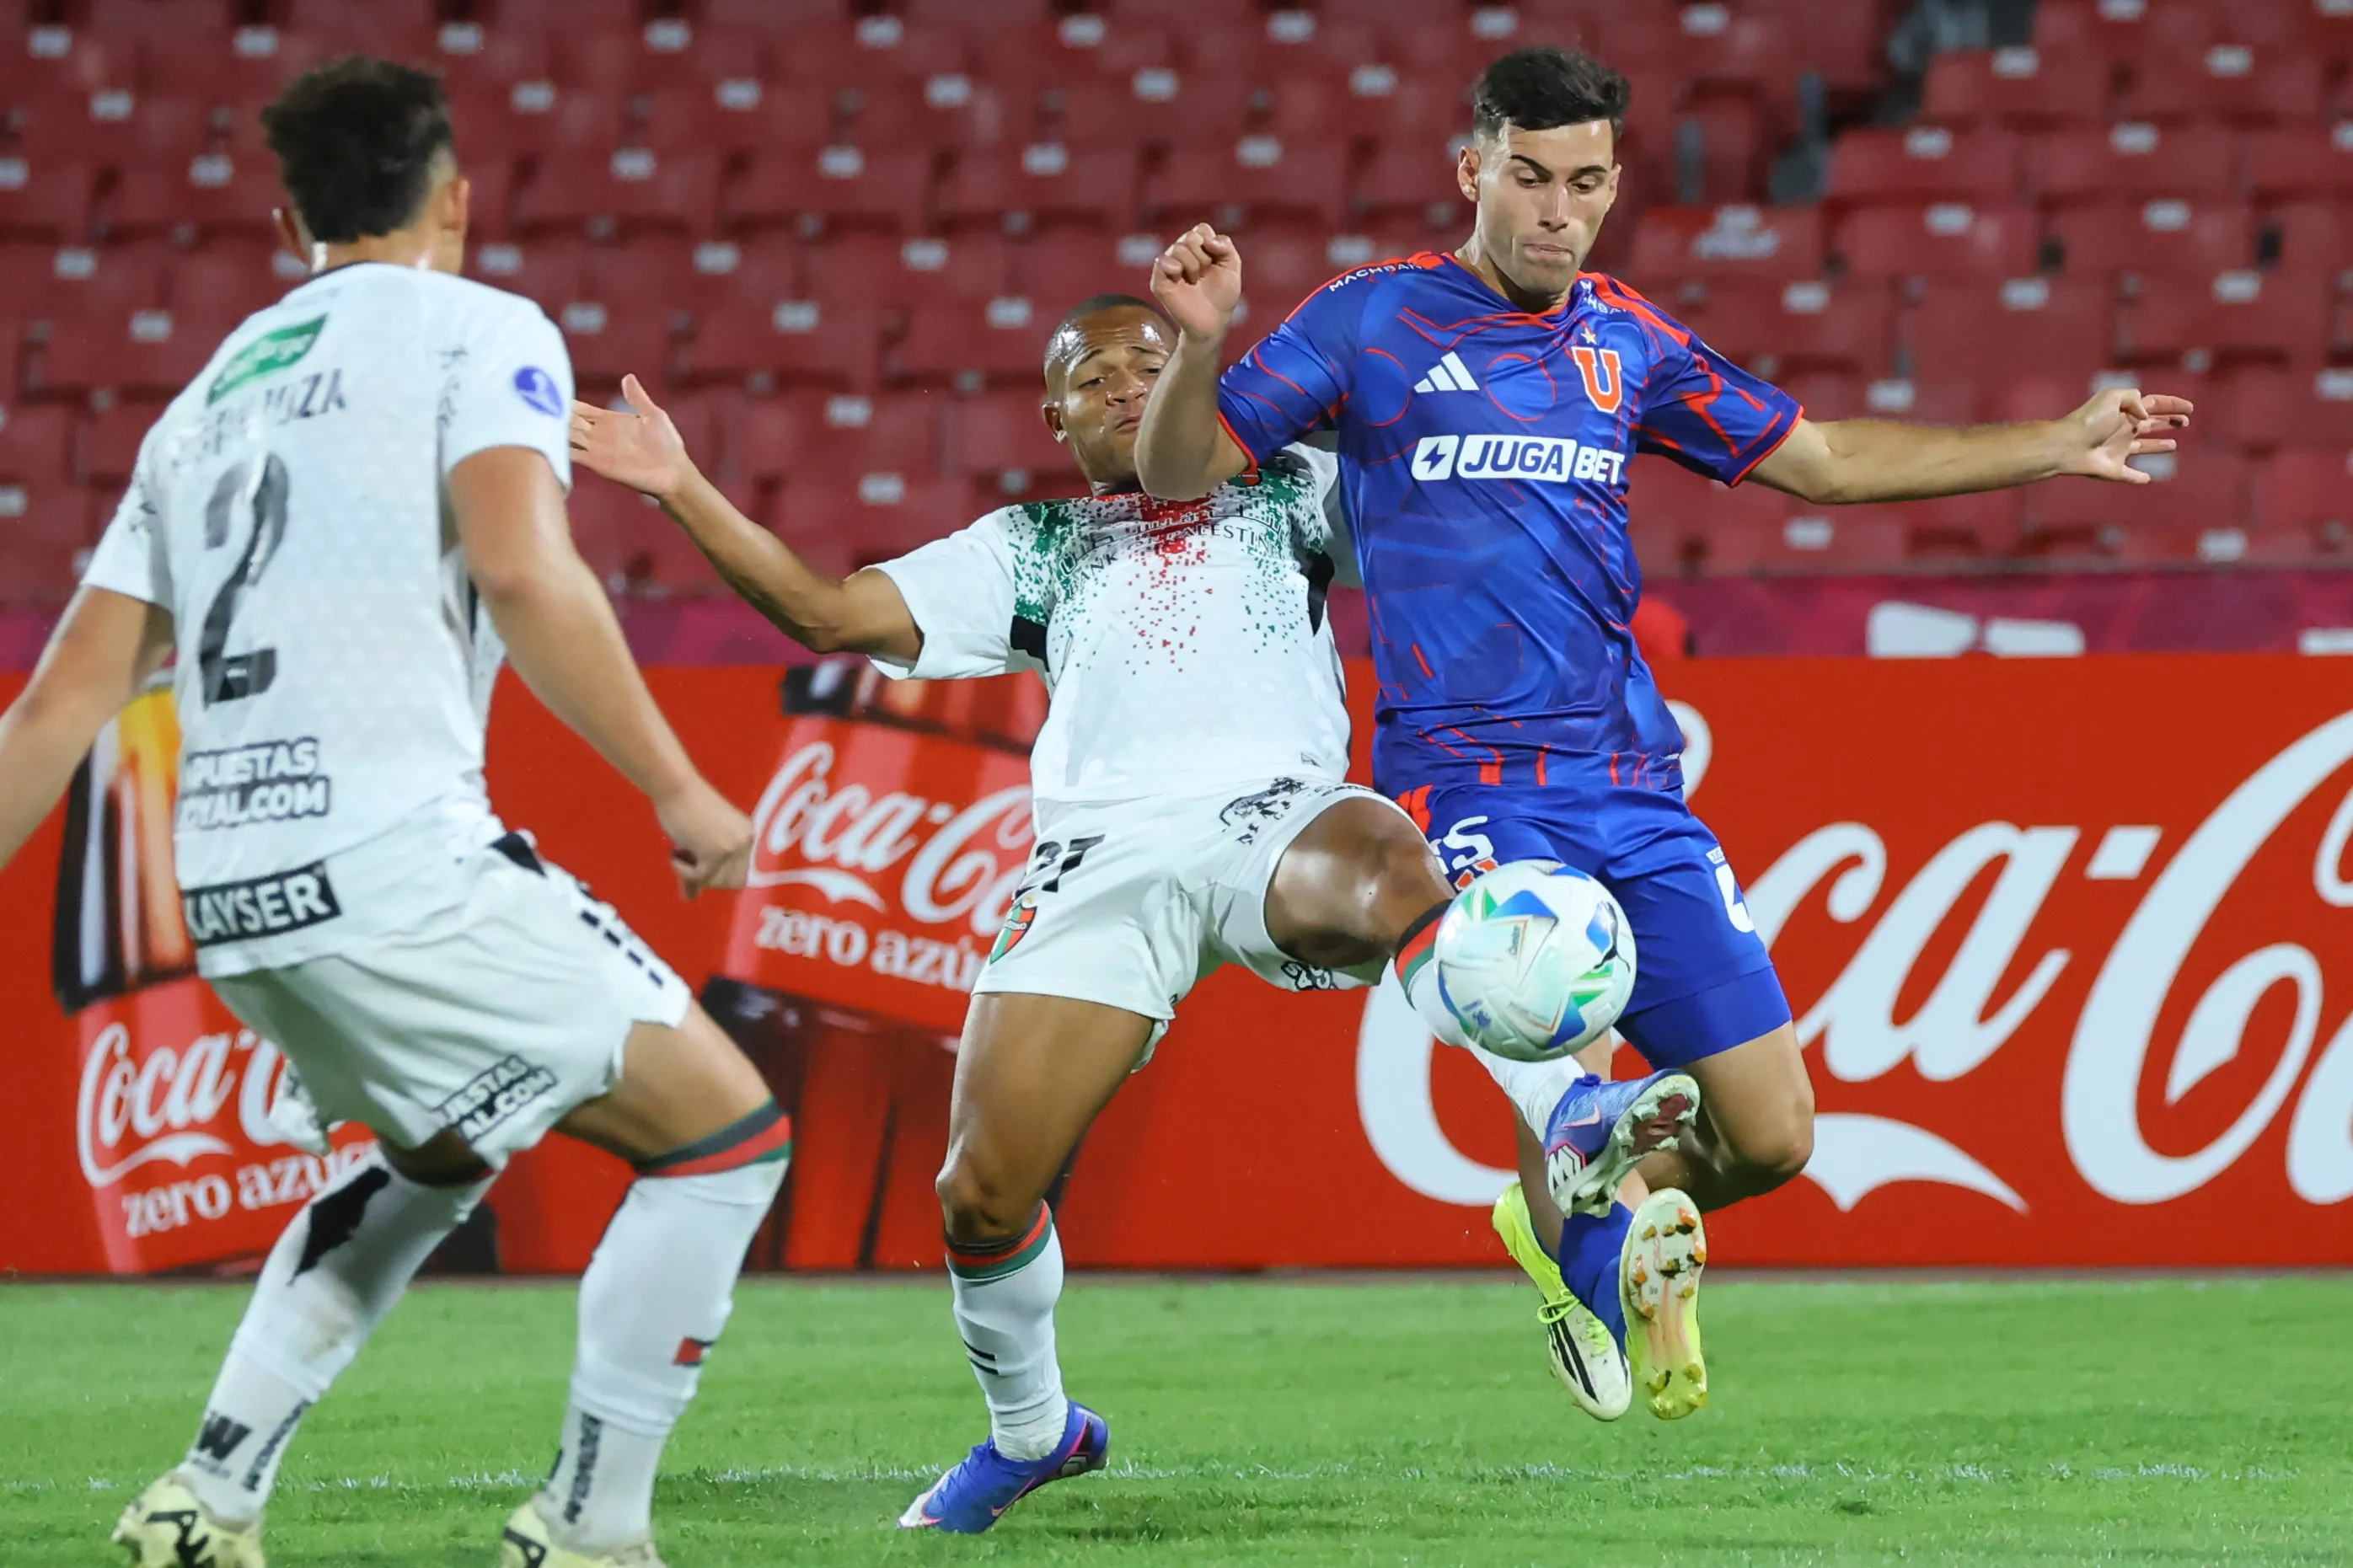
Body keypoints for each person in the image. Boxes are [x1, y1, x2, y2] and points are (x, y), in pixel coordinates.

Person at [1134, 45, 2192, 1421]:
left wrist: (2051, 442)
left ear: (1615, 186)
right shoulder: (1371, 323)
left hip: (1632, 782)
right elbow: (1175, 474)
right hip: (1468, 781)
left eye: (1584, 183)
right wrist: (1204, 343)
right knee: (1566, 1052)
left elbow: (1826, 463)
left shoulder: (1629, 341)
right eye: (1528, 178)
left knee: (1772, 1136)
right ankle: (1610, 1234)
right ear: (1474, 172)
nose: (1555, 211)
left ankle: (1587, 1226)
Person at [566, 291, 1696, 1531]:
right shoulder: (1029, 547)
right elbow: (824, 612)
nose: (1123, 386)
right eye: (1092, 374)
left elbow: (1461, 511)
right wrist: (678, 482)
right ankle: (1034, 1433)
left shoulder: (1293, 492)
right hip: (1098, 861)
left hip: (1276, 817)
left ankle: (1569, 1126)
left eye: (1149, 365)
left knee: (1389, 856)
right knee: (979, 1196)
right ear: (1053, 416)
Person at [0, 59, 788, 1568]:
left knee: (436, 1156)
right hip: (389, 862)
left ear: (291, 213)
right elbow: (523, 567)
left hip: (224, 893)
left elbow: (56, 709)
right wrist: (679, 785)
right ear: (456, 198)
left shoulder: (203, 400)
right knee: (721, 1136)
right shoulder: (480, 330)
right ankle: (591, 1530)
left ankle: (207, 1497)